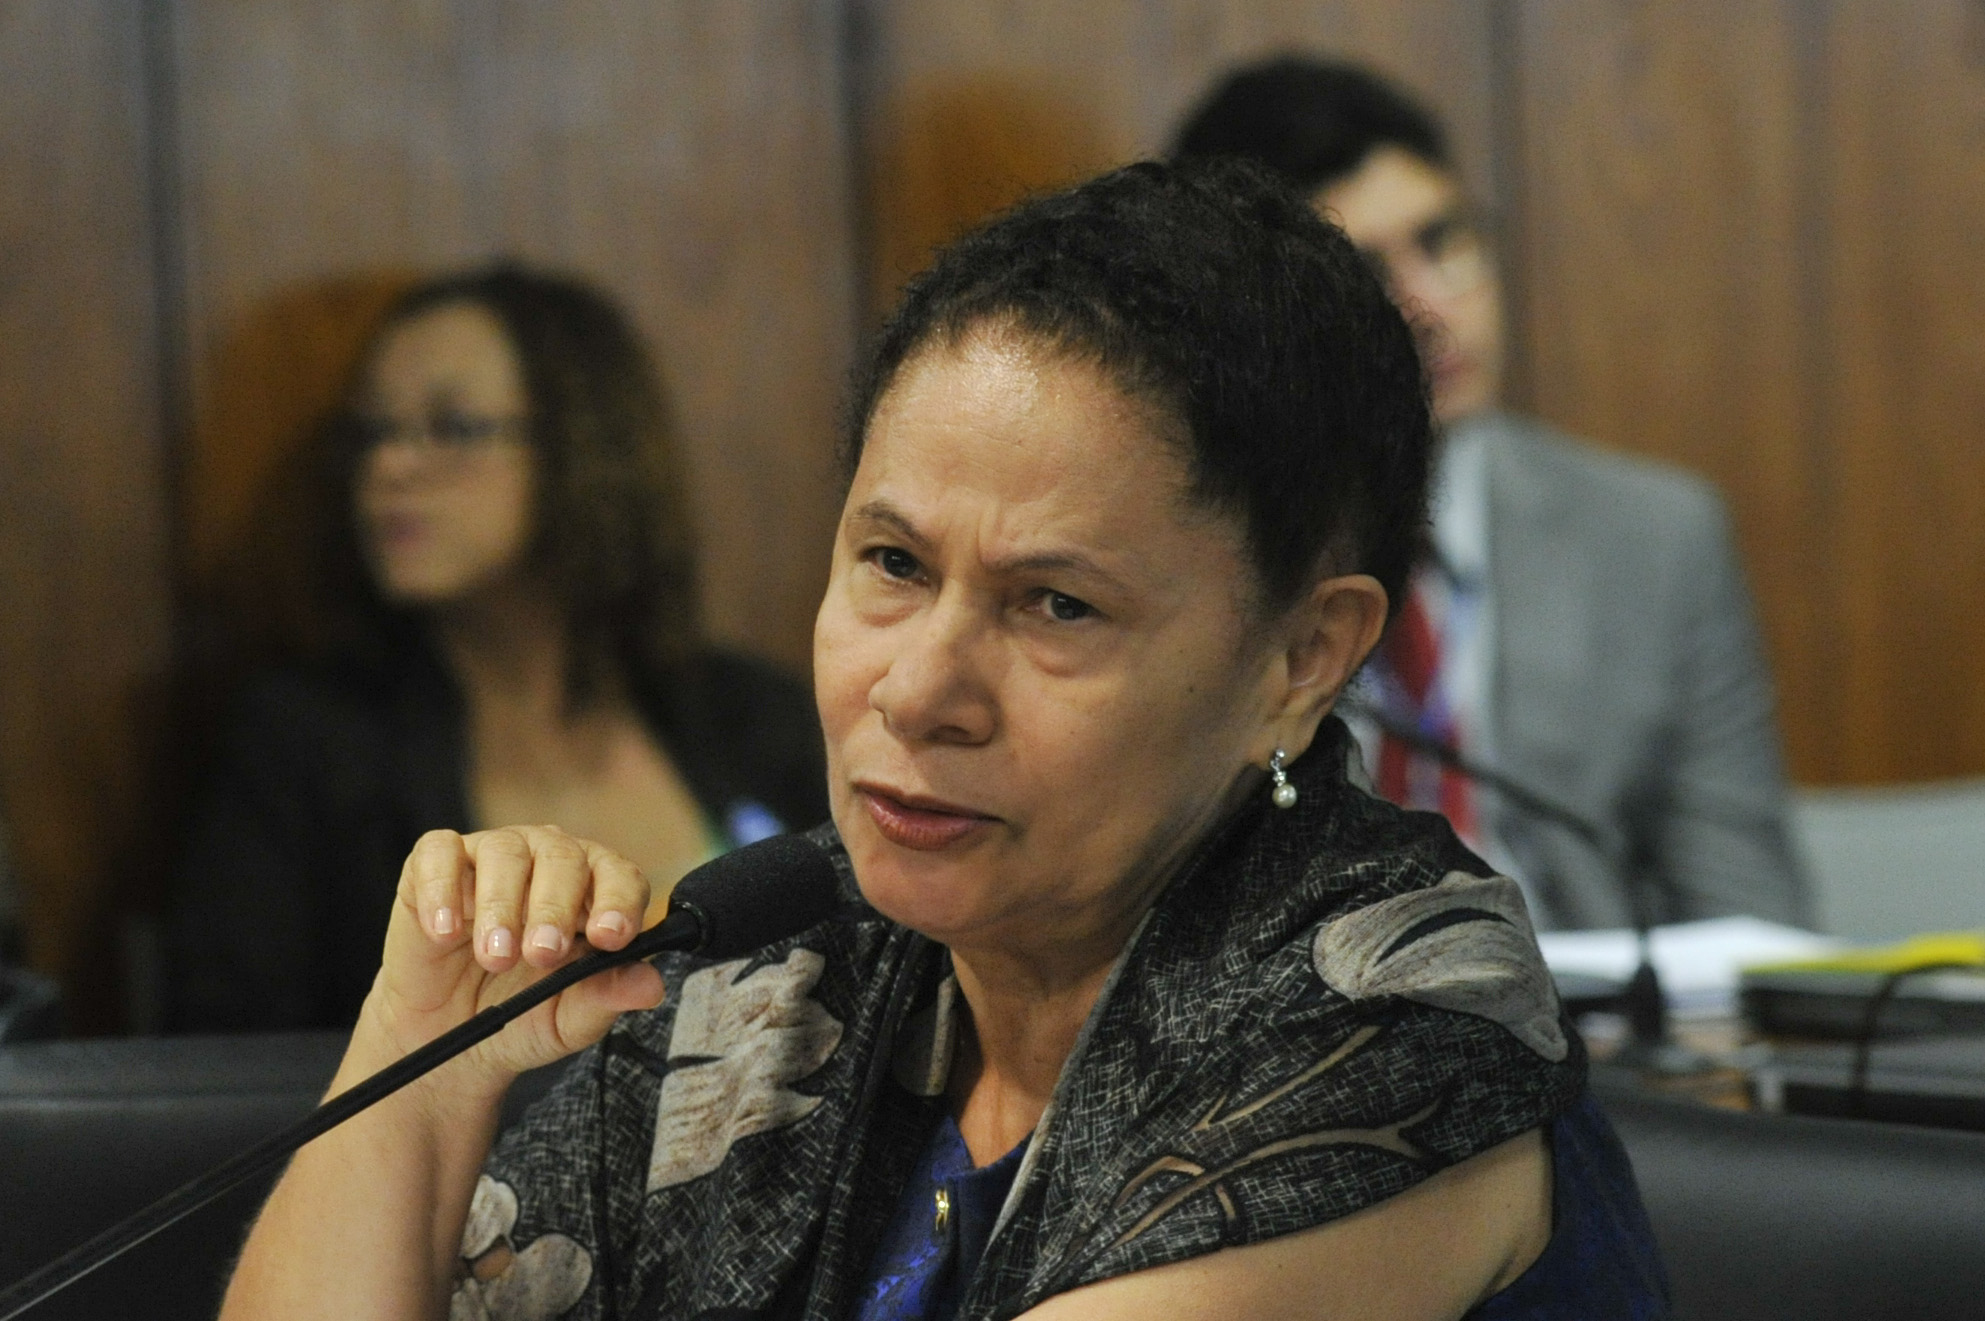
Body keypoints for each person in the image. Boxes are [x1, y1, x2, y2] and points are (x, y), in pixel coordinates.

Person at [218, 162, 1665, 1319]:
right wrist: (421, 1044)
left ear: (1302, 657)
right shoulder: (787, 975)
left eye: (1055, 605)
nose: (919, 691)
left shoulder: (1398, 1017)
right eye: (893, 565)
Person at [1174, 57, 1810, 931]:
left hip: (1595, 1039)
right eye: (1366, 270)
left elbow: (1750, 920)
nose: (1433, 306)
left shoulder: (1656, 539)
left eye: (1444, 240)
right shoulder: (1194, 559)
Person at [163, 266, 826, 1033]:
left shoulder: (757, 716)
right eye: (373, 432)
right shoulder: (304, 739)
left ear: (584, 447)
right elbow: (223, 1062)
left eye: (453, 427)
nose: (390, 466)